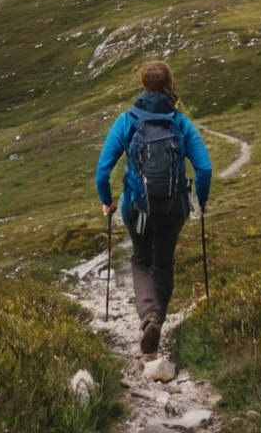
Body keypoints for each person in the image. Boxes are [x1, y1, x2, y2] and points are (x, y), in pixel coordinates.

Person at [95, 60, 212, 355]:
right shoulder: (180, 122)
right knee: (163, 262)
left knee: (141, 260)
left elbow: (102, 172)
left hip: (138, 206)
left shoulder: (127, 120)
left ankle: (149, 316)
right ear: (167, 83)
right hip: (174, 207)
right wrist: (202, 199)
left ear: (143, 83)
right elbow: (204, 168)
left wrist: (107, 201)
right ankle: (157, 317)